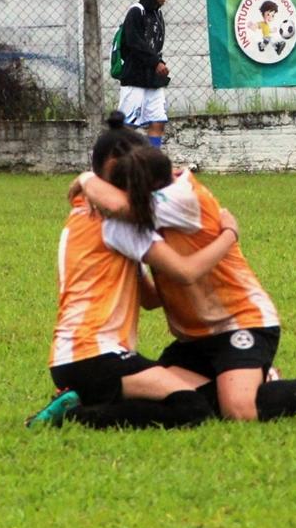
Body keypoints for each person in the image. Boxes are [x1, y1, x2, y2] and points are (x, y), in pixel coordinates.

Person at [80, 146, 296, 422]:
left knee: (239, 411)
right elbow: (154, 299)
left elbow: (118, 206)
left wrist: (85, 179)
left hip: (240, 321)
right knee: (170, 399)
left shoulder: (182, 198)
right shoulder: (156, 209)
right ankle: (258, 379)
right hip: (195, 336)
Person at [26, 121, 240, 430]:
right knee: (192, 408)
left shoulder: (87, 215)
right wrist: (229, 234)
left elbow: (150, 299)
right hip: (95, 356)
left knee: (203, 394)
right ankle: (79, 413)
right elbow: (184, 271)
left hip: (77, 357)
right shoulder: (107, 215)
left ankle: (81, 399)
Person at [117, 0, 173, 149]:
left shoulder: (157, 14)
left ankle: (152, 162)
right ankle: (121, 162)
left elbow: (154, 45)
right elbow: (134, 42)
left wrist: (159, 62)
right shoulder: (136, 11)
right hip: (135, 77)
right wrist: (155, 62)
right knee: (128, 124)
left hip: (152, 78)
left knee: (157, 122)